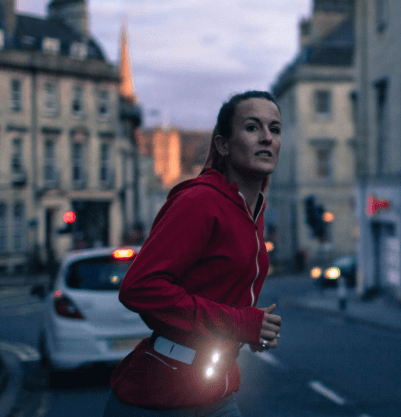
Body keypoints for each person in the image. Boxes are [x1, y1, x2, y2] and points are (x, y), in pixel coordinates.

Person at [103, 90, 282, 417]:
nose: (267, 138)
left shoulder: (253, 210)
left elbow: (217, 292)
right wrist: (239, 323)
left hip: (217, 389)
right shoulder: (199, 202)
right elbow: (138, 288)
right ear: (223, 145)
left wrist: (248, 333)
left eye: (275, 129)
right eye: (253, 127)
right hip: (162, 396)